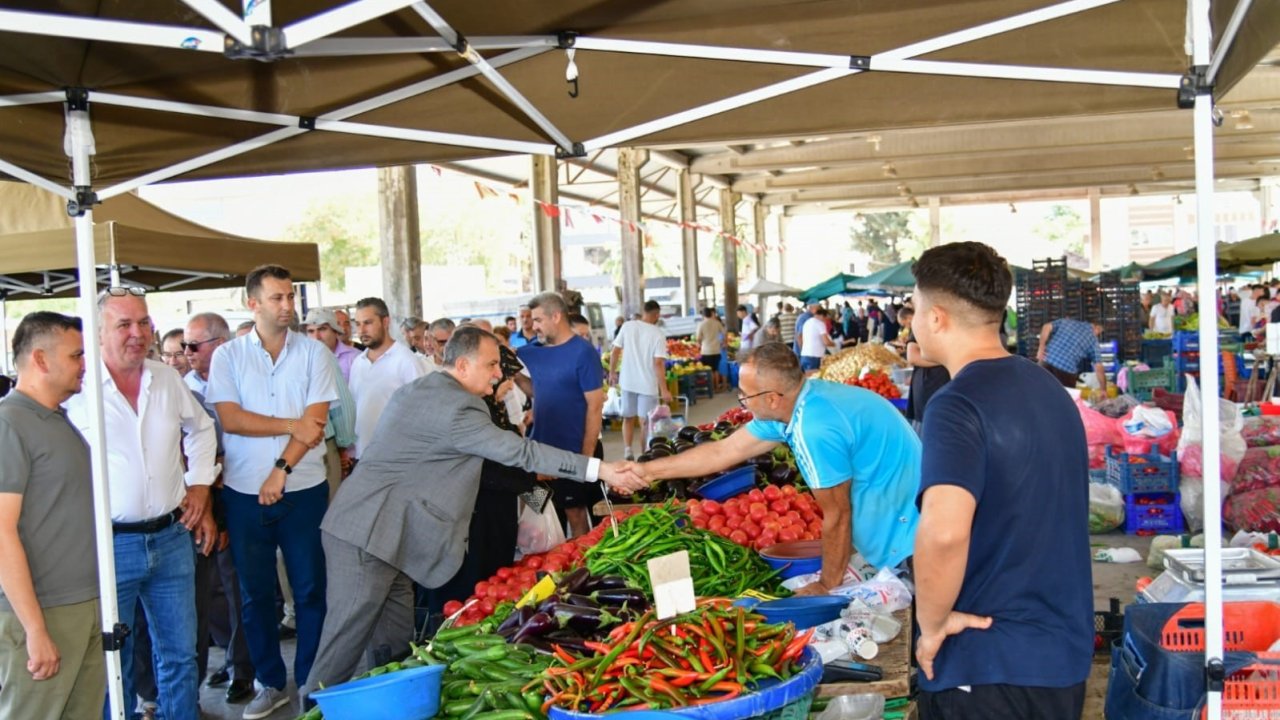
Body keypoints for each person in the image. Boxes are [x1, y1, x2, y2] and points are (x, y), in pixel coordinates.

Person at [304, 327, 646, 700]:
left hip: (394, 537)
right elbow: (522, 454)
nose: (499, 373)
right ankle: (310, 707)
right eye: (492, 365)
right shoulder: (458, 407)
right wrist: (601, 469)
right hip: (367, 535)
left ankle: (386, 705)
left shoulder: (427, 388)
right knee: (340, 650)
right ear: (463, 365)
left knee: (395, 648)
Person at [909, 241, 1092, 719]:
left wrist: (930, 625)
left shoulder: (955, 403)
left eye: (914, 307)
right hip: (1059, 657)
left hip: (989, 663)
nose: (913, 320)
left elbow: (944, 532)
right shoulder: (1048, 388)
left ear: (936, 317)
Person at [627, 343, 920, 593]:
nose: (742, 402)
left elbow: (838, 514)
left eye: (745, 394)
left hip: (909, 543)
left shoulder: (814, 427)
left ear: (771, 398)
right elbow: (723, 450)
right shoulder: (802, 400)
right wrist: (648, 472)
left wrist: (826, 585)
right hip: (893, 525)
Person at [64, 290, 217, 720]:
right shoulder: (77, 387)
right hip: (110, 543)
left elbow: (202, 430)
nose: (138, 334)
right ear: (97, 334)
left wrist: (200, 485)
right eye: (124, 325)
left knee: (180, 656)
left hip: (171, 536)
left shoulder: (165, 378)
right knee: (115, 661)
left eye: (144, 323)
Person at [207, 265, 338, 719]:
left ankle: (310, 680)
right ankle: (268, 681)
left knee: (311, 590)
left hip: (303, 489)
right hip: (243, 494)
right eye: (278, 298)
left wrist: (281, 467)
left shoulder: (314, 354)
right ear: (253, 303)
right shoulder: (228, 356)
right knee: (256, 594)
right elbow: (232, 419)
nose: (288, 306)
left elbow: (316, 423)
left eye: (290, 297)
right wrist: (289, 423)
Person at [0, 312, 104, 720]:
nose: (84, 364)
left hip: (82, 603)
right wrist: (35, 629)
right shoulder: (10, 423)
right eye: (76, 355)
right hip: (45, 610)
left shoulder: (54, 419)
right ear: (41, 360)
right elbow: (2, 532)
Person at [182, 312, 257, 705]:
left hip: (236, 495)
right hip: (194, 504)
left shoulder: (243, 381)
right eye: (184, 348)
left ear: (220, 344)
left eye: (195, 346)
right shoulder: (184, 389)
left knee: (237, 588)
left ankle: (243, 668)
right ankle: (215, 667)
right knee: (203, 595)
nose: (187, 354)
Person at [515, 292, 605, 538]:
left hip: (570, 452)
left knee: (575, 514)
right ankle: (544, 568)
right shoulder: (531, 352)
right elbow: (538, 392)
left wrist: (585, 458)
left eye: (538, 320)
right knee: (536, 512)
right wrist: (516, 375)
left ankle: (580, 572)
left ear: (556, 316)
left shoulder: (583, 353)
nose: (533, 326)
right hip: (538, 452)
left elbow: (595, 407)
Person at [350, 297, 425, 461]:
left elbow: (422, 411)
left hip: (397, 458)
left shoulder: (406, 360)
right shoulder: (358, 363)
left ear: (385, 322)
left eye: (368, 322)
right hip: (363, 456)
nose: (361, 330)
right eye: (357, 324)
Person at [609, 301, 672, 461]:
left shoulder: (627, 326)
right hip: (647, 384)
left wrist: (612, 373)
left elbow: (614, 352)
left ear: (643, 311)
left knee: (628, 418)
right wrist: (664, 389)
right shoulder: (658, 334)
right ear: (656, 314)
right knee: (645, 422)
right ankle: (644, 454)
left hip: (627, 381)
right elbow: (658, 363)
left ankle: (628, 450)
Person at [900, 308, 950, 434]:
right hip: (928, 393)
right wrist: (950, 359)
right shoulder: (922, 320)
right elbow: (913, 356)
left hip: (948, 396)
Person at [1035, 319, 1106, 392]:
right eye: (1099, 333)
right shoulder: (1093, 340)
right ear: (1097, 328)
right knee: (1064, 399)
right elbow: (1098, 367)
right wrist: (1103, 389)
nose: (1097, 335)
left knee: (1036, 391)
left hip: (1046, 362)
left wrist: (1041, 347)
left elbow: (1046, 326)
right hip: (1065, 372)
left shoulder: (1066, 322)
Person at [799, 307, 834, 372]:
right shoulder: (820, 323)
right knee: (814, 378)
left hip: (804, 355)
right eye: (825, 319)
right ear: (822, 316)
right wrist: (834, 344)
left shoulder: (807, 322)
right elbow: (826, 342)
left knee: (807, 378)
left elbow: (801, 338)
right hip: (814, 357)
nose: (825, 321)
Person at [696, 307, 725, 380]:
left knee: (709, 371)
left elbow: (698, 338)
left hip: (706, 351)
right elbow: (724, 332)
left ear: (703, 315)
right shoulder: (717, 323)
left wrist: (698, 344)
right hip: (716, 350)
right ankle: (717, 387)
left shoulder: (701, 324)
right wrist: (724, 342)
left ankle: (712, 388)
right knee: (716, 370)